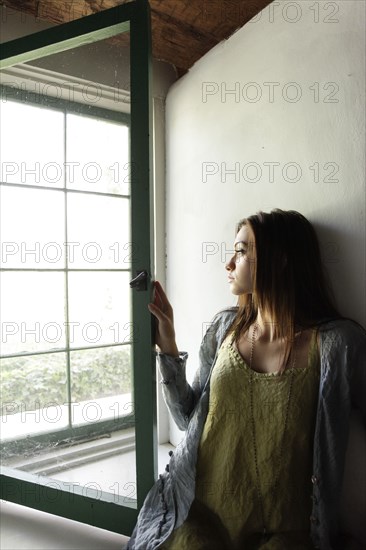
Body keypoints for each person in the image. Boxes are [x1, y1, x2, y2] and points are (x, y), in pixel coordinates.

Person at [126, 209, 366, 550]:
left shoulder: (337, 345)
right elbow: (186, 418)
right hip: (202, 518)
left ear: (280, 260)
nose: (229, 264)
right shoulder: (225, 329)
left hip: (286, 533)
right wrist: (168, 345)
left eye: (240, 252)